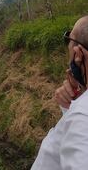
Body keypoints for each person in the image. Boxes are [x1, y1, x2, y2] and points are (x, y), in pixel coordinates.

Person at [32, 16, 88, 169]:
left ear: (78, 54)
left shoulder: (82, 117)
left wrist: (78, 109)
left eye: (69, 38)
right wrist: (70, 107)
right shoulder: (80, 108)